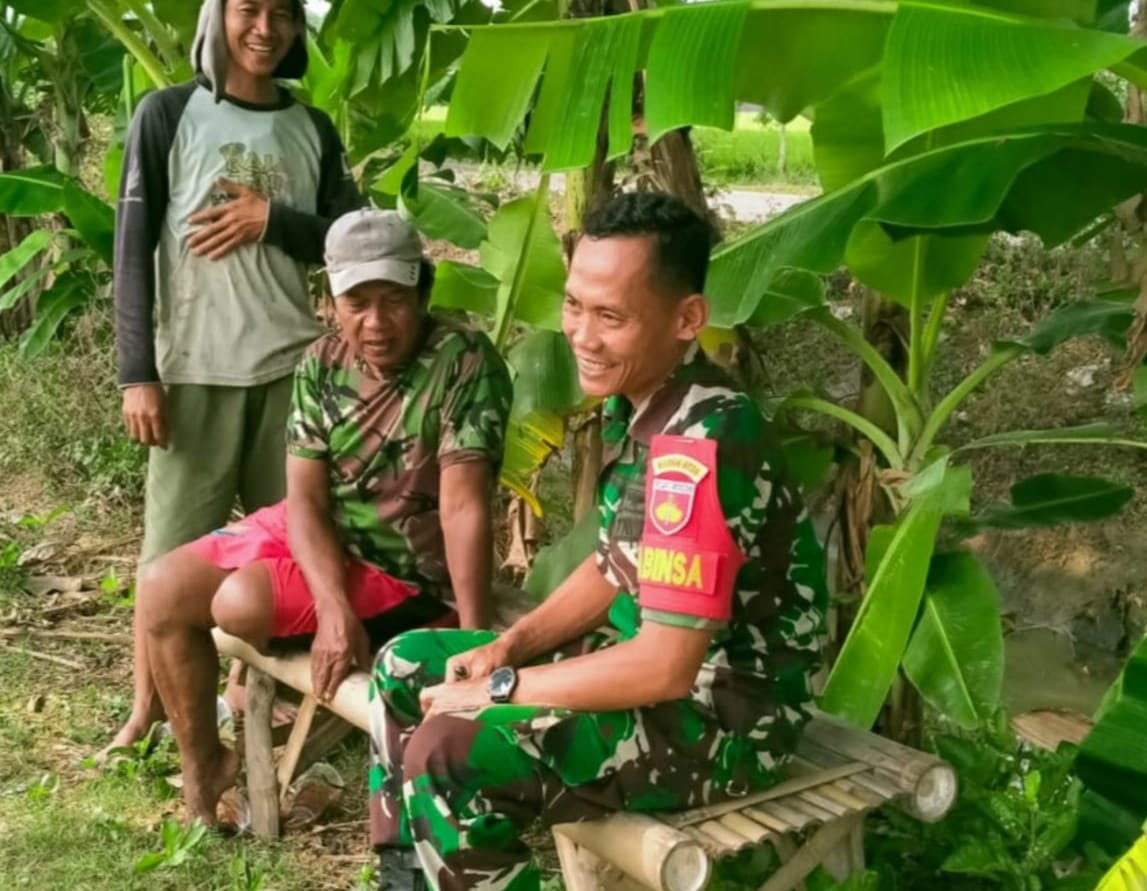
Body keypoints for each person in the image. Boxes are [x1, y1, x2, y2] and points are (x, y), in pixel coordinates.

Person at [366, 192, 829, 891]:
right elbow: (614, 563)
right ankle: (410, 880)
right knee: (406, 664)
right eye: (574, 305)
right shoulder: (642, 399)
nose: (581, 335)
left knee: (452, 749)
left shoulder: (698, 444)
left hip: (728, 719)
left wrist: (499, 689)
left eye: (609, 316)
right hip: (652, 676)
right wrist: (505, 647)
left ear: (686, 319)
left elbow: (665, 667)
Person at [136, 207, 514, 824]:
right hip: (326, 536)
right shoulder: (321, 361)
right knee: (161, 586)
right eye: (356, 302)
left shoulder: (463, 362)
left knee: (239, 604)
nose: (375, 322)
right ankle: (205, 763)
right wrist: (333, 608)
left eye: (392, 299)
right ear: (330, 300)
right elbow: (305, 498)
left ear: (423, 290)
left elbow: (464, 503)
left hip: (402, 569)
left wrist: (473, 642)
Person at [106, 0, 362, 758]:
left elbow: (349, 242)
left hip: (291, 371)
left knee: (288, 550)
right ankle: (146, 708)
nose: (264, 27)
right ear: (218, 16)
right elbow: (131, 246)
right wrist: (135, 373)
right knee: (169, 555)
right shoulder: (167, 114)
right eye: (248, 9)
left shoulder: (310, 128)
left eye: (282, 13)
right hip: (193, 372)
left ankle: (260, 695)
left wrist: (270, 218)